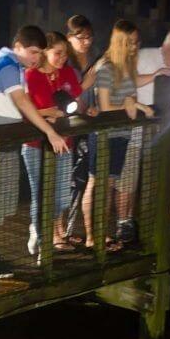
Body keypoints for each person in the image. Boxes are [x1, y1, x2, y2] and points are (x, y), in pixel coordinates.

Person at [0, 25, 68, 276]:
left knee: (4, 203)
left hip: (7, 140)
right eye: (32, 51)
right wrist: (50, 132)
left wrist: (47, 117)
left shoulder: (16, 66)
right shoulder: (8, 64)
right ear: (18, 46)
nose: (36, 57)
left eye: (40, 52)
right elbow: (21, 101)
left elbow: (23, 106)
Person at [82, 20, 160, 251]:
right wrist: (138, 106)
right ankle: (91, 236)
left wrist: (155, 75)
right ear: (121, 42)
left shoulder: (125, 65)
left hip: (122, 135)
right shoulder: (106, 67)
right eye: (131, 43)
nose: (136, 47)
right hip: (105, 135)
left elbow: (131, 83)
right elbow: (105, 107)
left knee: (109, 184)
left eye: (137, 42)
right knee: (97, 184)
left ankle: (101, 234)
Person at [21, 32, 82, 257]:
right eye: (58, 53)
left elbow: (75, 101)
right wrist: (50, 112)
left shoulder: (67, 73)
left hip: (64, 142)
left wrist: (82, 108)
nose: (63, 58)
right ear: (45, 51)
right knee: (40, 194)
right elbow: (27, 111)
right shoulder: (30, 75)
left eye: (66, 54)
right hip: (36, 144)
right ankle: (41, 240)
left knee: (62, 196)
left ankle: (41, 231)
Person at [136, 29, 170, 229]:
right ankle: (146, 221)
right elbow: (126, 84)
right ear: (164, 47)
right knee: (147, 176)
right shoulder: (144, 56)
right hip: (146, 130)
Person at [65, 15, 100, 243]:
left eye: (89, 37)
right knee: (68, 180)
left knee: (82, 179)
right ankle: (61, 232)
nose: (86, 42)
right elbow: (67, 96)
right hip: (70, 128)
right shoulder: (66, 62)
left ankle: (70, 231)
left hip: (88, 127)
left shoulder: (92, 61)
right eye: (81, 37)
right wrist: (84, 100)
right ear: (70, 37)